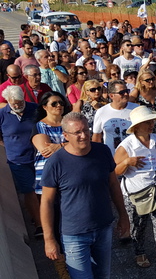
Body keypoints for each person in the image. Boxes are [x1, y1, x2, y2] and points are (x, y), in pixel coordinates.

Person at [40, 113, 129, 278]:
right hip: (74, 234)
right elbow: (46, 202)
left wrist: (123, 215)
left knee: (103, 275)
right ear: (65, 135)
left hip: (103, 228)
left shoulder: (102, 151)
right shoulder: (56, 162)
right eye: (77, 133)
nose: (84, 136)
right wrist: (49, 239)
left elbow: (113, 185)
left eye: (86, 130)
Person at [114, 106, 156, 278]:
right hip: (137, 193)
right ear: (137, 126)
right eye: (147, 122)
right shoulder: (126, 145)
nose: (152, 124)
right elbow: (114, 171)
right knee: (138, 225)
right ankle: (139, 251)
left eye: (152, 121)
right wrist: (127, 162)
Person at [0, 86, 42, 238]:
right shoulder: (2, 115)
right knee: (29, 190)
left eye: (20, 102)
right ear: (8, 101)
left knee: (41, 190)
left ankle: (43, 216)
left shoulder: (34, 109)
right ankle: (39, 224)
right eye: (15, 103)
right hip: (17, 160)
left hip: (37, 156)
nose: (18, 105)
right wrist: (10, 145)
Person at [32, 91, 70, 196]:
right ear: (45, 107)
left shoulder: (71, 124)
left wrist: (59, 146)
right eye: (54, 104)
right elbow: (47, 151)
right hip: (48, 174)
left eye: (61, 103)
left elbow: (82, 144)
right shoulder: (39, 127)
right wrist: (70, 145)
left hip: (69, 172)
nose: (59, 105)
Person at [92, 80, 139, 155]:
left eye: (127, 91)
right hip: (111, 157)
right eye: (122, 92)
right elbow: (96, 137)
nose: (126, 94)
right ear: (111, 96)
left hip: (135, 155)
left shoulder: (137, 109)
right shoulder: (101, 112)